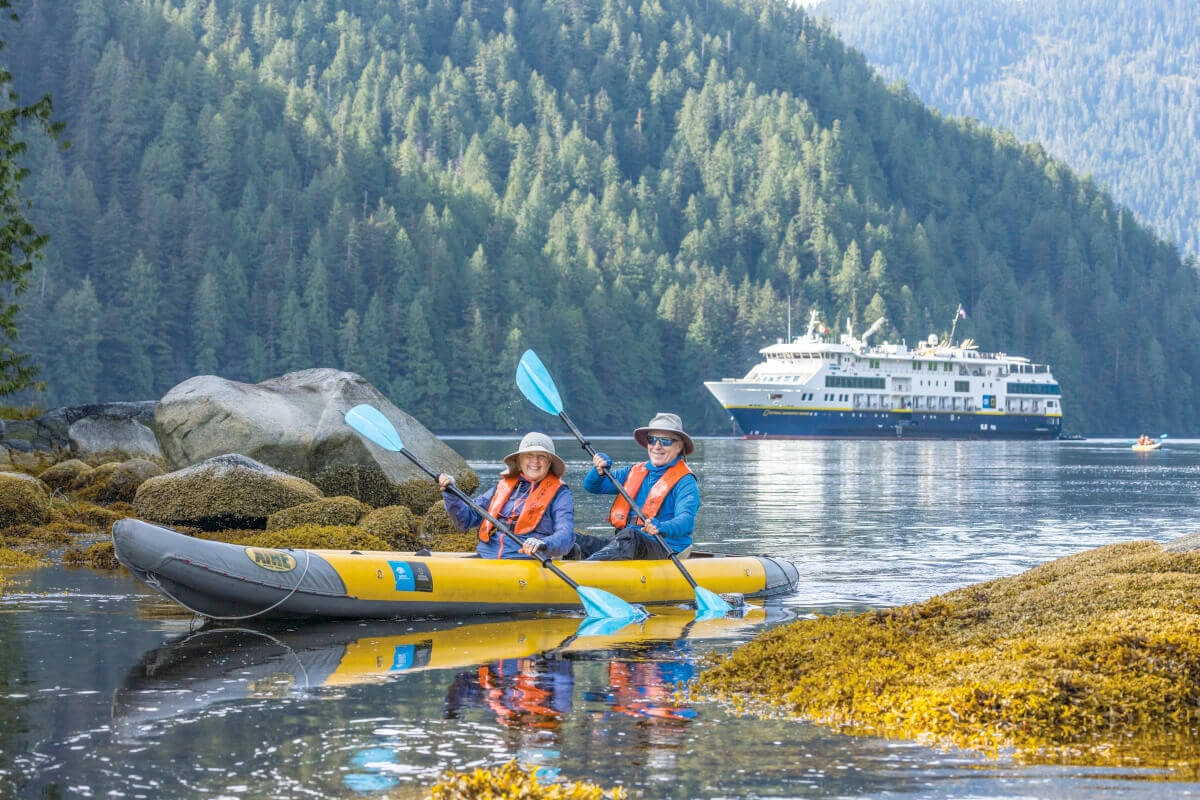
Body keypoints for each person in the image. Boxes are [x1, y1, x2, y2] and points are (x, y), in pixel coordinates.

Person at [438, 432, 574, 559]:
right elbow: (465, 520)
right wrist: (451, 492)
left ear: (549, 463)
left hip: (526, 561)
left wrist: (543, 543)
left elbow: (566, 534)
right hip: (487, 558)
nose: (535, 461)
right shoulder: (503, 487)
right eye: (529, 455)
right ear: (520, 460)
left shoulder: (560, 494)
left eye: (542, 456)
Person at [583, 412, 699, 561]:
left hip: (666, 549)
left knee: (630, 536)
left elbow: (686, 520)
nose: (657, 446)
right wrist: (598, 471)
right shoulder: (633, 471)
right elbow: (593, 487)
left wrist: (660, 527)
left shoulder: (686, 481)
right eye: (652, 440)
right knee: (578, 540)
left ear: (679, 446)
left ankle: (588, 568)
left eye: (665, 441)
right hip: (627, 543)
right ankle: (577, 565)